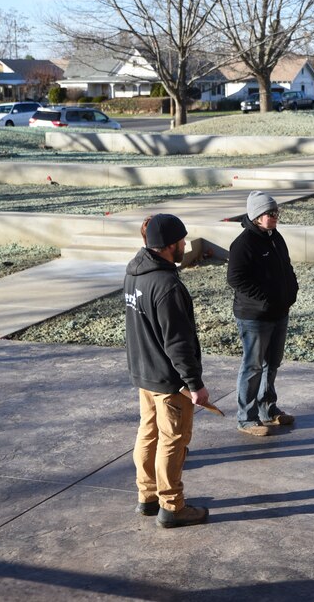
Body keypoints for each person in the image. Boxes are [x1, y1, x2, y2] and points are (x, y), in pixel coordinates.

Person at [125, 213, 209, 529]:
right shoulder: (166, 285)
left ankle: (147, 498)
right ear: (169, 245)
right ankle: (172, 505)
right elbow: (178, 342)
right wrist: (194, 383)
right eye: (182, 241)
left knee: (148, 433)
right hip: (169, 381)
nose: (185, 245)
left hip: (144, 372)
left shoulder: (134, 273)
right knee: (172, 440)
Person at [227, 191, 299, 437]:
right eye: (271, 213)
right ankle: (246, 418)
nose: (275, 217)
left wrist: (292, 291)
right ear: (257, 215)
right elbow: (235, 279)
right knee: (253, 365)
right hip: (254, 317)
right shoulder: (243, 244)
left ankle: (268, 408)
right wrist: (265, 299)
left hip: (279, 312)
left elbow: (286, 266)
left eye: (276, 212)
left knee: (273, 363)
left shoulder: (275, 237)